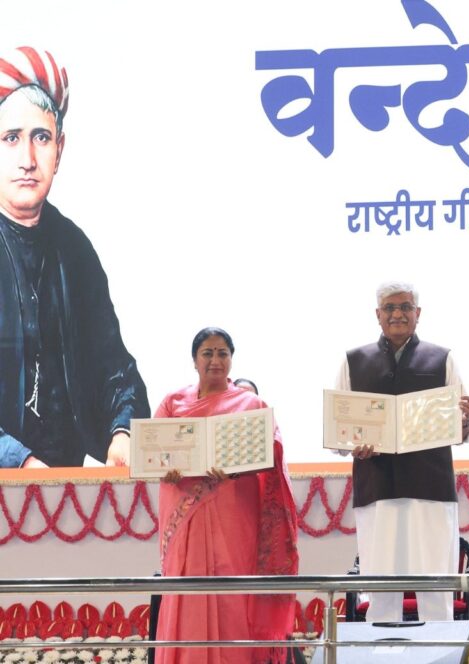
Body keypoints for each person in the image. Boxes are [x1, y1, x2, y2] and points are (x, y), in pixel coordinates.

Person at [0, 46, 148, 468]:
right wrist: (18, 461)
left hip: (61, 483)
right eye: (11, 138)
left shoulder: (74, 249)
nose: (28, 160)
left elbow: (114, 368)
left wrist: (123, 431)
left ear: (60, 150)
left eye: (41, 138)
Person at [155, 327, 298, 664]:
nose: (215, 360)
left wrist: (240, 463)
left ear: (232, 359)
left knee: (234, 592)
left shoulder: (251, 405)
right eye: (207, 353)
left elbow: (272, 454)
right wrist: (167, 469)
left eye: (223, 353)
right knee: (187, 592)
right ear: (194, 360)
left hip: (235, 514)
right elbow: (155, 452)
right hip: (187, 517)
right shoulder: (173, 403)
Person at [334, 282, 469, 622]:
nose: (398, 314)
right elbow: (340, 432)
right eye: (390, 308)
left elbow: (461, 430)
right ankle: (381, 650)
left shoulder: (442, 358)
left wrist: (464, 420)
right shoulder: (354, 361)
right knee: (381, 589)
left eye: (405, 307)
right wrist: (353, 444)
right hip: (377, 489)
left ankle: (441, 651)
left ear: (418, 313)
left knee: (436, 588)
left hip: (431, 490)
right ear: (378, 314)